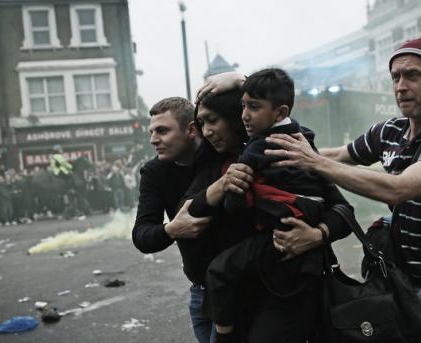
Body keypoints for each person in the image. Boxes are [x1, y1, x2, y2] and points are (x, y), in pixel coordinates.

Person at [263, 29, 421, 342]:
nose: (401, 86)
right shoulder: (389, 131)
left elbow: (397, 189)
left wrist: (314, 162)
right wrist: (288, 150)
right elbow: (341, 155)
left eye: (413, 75)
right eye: (395, 76)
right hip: (405, 280)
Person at [185, 87, 355, 343]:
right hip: (230, 300)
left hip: (286, 291)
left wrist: (316, 235)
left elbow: (343, 212)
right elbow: (188, 213)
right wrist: (222, 186)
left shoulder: (286, 151)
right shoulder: (210, 167)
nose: (207, 131)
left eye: (213, 120)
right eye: (201, 123)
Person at [131, 97, 218, 343]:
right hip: (200, 292)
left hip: (236, 290)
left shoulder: (220, 154)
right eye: (151, 132)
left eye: (162, 130)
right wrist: (172, 230)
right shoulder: (154, 172)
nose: (153, 139)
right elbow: (142, 235)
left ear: (191, 129)